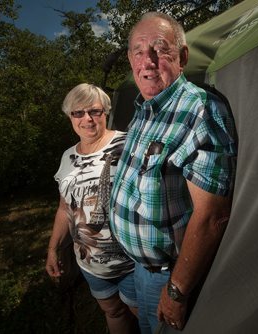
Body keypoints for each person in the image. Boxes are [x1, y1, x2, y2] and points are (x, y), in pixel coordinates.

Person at [109, 12, 238, 333]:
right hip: (138, 267)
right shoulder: (144, 109)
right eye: (138, 51)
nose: (148, 61)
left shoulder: (199, 109)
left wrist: (177, 290)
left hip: (171, 275)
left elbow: (213, 216)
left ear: (182, 57)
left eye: (160, 49)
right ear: (130, 59)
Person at [46, 83, 140, 334]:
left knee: (143, 316)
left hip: (133, 262)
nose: (87, 119)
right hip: (91, 265)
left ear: (106, 112)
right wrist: (53, 249)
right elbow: (64, 206)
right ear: (70, 117)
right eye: (78, 113)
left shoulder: (128, 143)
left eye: (94, 111)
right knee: (112, 311)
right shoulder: (67, 156)